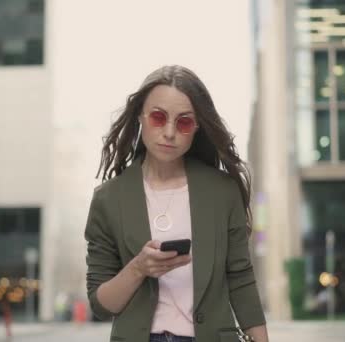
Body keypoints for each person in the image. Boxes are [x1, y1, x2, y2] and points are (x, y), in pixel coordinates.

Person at [85, 65, 269, 342]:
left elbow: (241, 280)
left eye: (183, 122)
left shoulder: (222, 191)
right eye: (158, 117)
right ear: (140, 117)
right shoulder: (108, 199)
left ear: (196, 128)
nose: (169, 132)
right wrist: (138, 268)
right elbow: (101, 305)